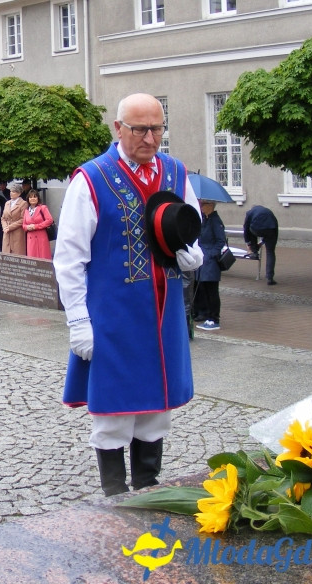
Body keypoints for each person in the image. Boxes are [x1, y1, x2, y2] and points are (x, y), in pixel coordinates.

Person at [54, 92, 203, 497]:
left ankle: (148, 488)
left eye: (157, 129)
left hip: (164, 315)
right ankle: (115, 496)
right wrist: (78, 320)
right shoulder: (91, 178)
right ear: (118, 128)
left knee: (156, 409)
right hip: (112, 317)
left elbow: (190, 227)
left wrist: (192, 252)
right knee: (114, 411)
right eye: (140, 130)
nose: (150, 139)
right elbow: (69, 258)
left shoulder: (175, 172)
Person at [194, 200, 227, 331]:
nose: (201, 207)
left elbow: (220, 241)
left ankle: (214, 318)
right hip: (203, 260)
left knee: (211, 290)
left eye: (203, 205)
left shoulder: (215, 221)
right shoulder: (204, 219)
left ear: (210, 206)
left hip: (210, 262)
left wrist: (211, 254)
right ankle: (205, 314)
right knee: (202, 288)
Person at [243, 204, 279, 285]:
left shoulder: (250, 212)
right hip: (271, 228)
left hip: (256, 228)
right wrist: (263, 242)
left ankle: (254, 252)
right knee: (270, 252)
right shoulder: (268, 212)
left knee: (251, 230)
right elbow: (274, 231)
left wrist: (248, 244)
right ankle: (270, 278)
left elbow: (246, 229)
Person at [22, 190, 53, 260]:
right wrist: (27, 227)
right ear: (28, 199)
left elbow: (49, 220)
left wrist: (36, 226)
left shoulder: (43, 208)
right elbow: (24, 225)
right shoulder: (26, 210)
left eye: (35, 197)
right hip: (30, 239)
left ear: (38, 198)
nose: (32, 199)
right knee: (32, 259)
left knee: (43, 258)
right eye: (30, 197)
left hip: (41, 237)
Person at [0, 182, 26, 255]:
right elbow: (3, 218)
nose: (11, 193)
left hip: (17, 232)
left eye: (14, 192)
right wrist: (5, 227)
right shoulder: (7, 203)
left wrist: (10, 227)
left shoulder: (23, 203)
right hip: (7, 232)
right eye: (11, 191)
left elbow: (23, 219)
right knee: (6, 253)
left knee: (17, 254)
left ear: (19, 193)